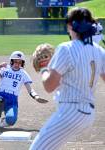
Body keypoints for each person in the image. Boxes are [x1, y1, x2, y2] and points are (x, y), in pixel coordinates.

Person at [29, 7, 105, 150]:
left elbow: (49, 86)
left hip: (71, 112)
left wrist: (45, 68)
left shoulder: (66, 48)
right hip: (88, 114)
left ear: (70, 26)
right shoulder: (99, 50)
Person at [0, 51, 48, 136]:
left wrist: (36, 97)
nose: (17, 64)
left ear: (22, 63)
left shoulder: (23, 73)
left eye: (20, 62)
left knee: (11, 120)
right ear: (11, 61)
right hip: (1, 95)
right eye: (15, 61)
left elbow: (29, 89)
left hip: (12, 100)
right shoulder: (5, 69)